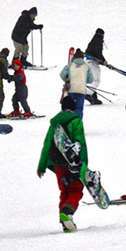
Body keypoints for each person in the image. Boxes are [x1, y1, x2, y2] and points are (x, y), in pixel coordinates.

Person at [38, 96, 90, 232]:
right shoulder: (76, 121)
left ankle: (65, 222)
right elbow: (81, 142)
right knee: (76, 189)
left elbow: (47, 143)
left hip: (57, 162)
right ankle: (67, 213)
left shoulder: (55, 123)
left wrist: (42, 166)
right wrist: (84, 164)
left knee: (64, 190)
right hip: (72, 163)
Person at [60, 49, 93, 118]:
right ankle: (78, 122)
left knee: (70, 107)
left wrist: (67, 80)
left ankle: (69, 122)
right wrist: (83, 80)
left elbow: (62, 74)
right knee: (79, 108)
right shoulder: (86, 66)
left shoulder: (70, 65)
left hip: (71, 89)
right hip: (81, 90)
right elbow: (91, 79)